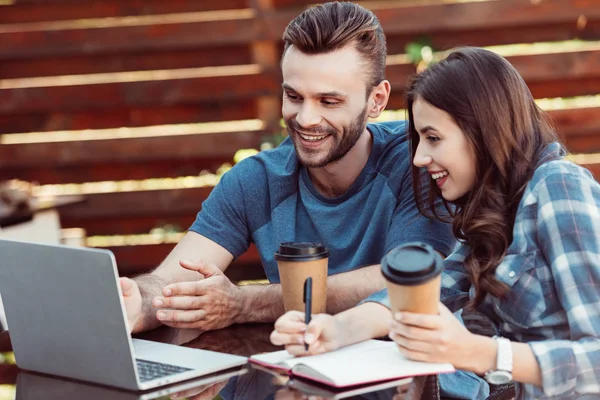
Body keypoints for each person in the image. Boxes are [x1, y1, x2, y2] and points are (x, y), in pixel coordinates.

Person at [271, 47, 600, 399]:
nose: (419, 158)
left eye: (433, 138)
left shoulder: (559, 186)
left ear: (483, 130)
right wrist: (334, 330)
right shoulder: (496, 217)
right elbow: (419, 296)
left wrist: (477, 352)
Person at [119, 2, 455, 336]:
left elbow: (409, 282)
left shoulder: (420, 162)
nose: (306, 119)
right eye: (294, 96)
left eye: (329, 101)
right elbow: (172, 282)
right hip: (299, 373)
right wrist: (140, 302)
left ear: (376, 101)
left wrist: (246, 303)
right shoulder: (255, 180)